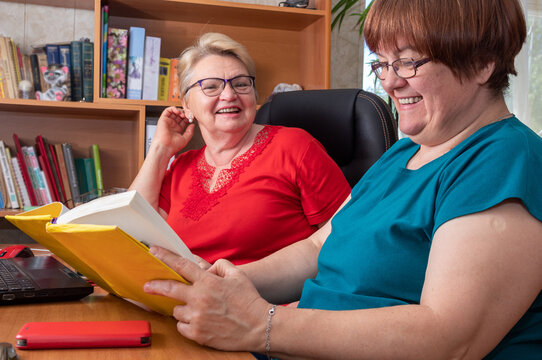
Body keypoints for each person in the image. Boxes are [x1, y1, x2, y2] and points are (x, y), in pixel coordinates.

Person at [142, 0, 542, 358]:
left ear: (480, 64)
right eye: (382, 64)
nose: (389, 82)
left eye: (407, 62)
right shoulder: (404, 153)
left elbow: (451, 338)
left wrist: (259, 324)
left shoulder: (505, 159)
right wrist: (219, 282)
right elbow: (317, 248)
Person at [129, 32, 350, 265]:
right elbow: (132, 229)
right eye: (211, 87)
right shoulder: (181, 166)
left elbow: (347, 238)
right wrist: (160, 150)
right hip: (182, 297)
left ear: (254, 95)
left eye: (241, 84)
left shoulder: (295, 147)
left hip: (268, 298)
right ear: (186, 104)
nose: (229, 95)